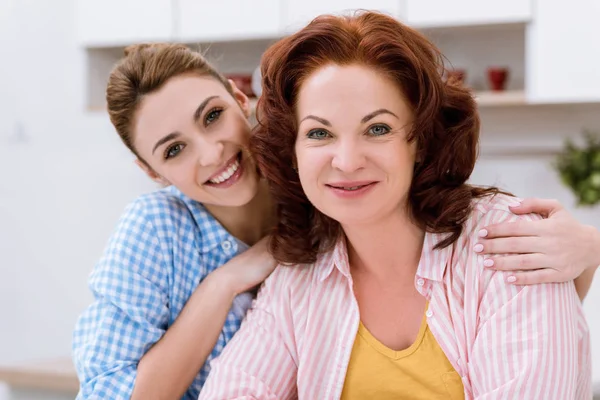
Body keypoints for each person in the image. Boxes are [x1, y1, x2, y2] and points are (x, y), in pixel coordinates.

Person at [72, 43, 599, 399]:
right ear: (151, 171)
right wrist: (226, 281)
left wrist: (590, 245)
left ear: (241, 99)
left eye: (212, 117)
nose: (211, 153)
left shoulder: (322, 210)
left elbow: (526, 329)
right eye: (174, 149)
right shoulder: (286, 264)